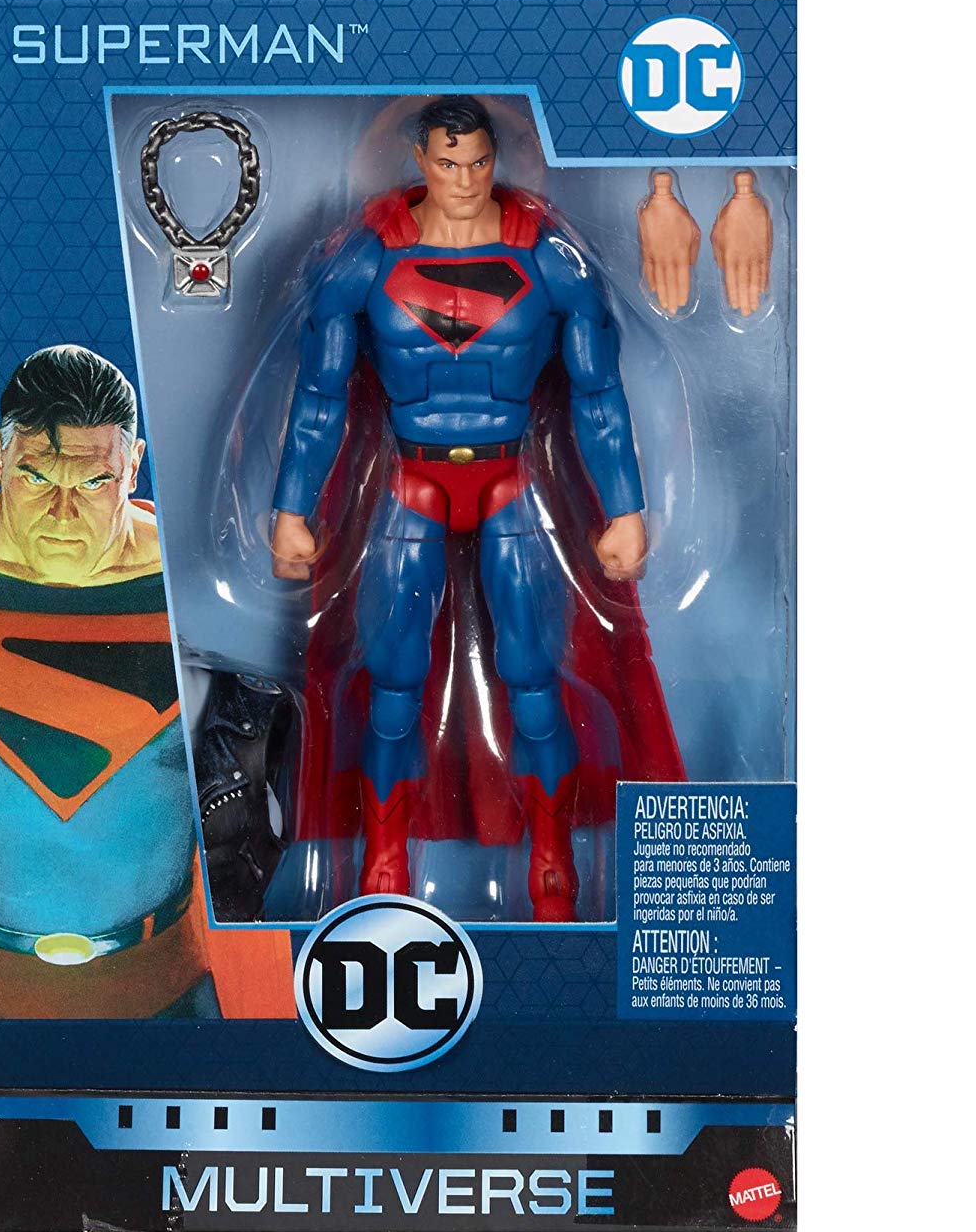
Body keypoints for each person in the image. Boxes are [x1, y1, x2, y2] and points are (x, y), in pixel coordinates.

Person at [271, 97, 680, 921]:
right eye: (448, 164)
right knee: (392, 679)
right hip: (411, 482)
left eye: (479, 163)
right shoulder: (365, 258)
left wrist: (626, 508)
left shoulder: (550, 258)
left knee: (532, 675)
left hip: (508, 480)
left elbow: (598, 395)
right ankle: (384, 858)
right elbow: (318, 396)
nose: (465, 180)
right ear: (420, 160)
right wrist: (291, 509)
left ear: (496, 158)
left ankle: (553, 860)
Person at [0, 344, 291, 1015]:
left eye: (94, 482)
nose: (63, 513)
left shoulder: (203, 587)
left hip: (168, 982)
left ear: (133, 464)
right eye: (36, 477)